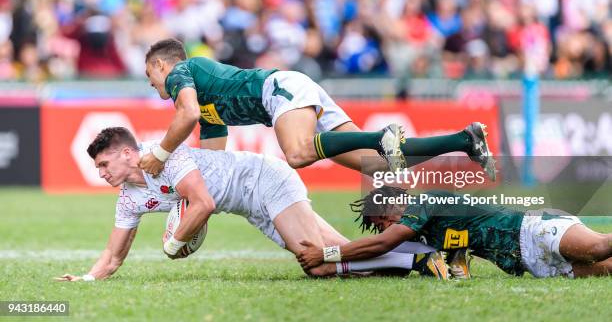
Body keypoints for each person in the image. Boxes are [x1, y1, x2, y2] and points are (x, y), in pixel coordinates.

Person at [55, 128, 455, 282]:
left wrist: (174, 243)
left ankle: (416, 262)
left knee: (316, 262)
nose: (101, 173)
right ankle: (429, 253)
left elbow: (204, 203)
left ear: (127, 153)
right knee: (336, 259)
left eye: (104, 163)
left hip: (266, 179)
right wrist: (88, 279)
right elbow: (112, 255)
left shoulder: (165, 154)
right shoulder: (129, 196)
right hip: (252, 206)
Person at [138, 38, 495, 180]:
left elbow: (186, 115)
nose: (155, 89)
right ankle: (464, 140)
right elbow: (212, 163)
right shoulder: (203, 103)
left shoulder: (181, 72)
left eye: (150, 77)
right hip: (293, 90)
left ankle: (379, 137)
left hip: (279, 90)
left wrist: (160, 153)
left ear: (159, 65)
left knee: (297, 153)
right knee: (376, 165)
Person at [297, 187, 612, 279]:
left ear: (391, 207)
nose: (384, 230)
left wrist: (327, 254)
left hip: (535, 231)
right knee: (606, 270)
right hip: (531, 262)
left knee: (599, 248)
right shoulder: (431, 233)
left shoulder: (425, 201)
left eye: (381, 222)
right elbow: (458, 271)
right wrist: (341, 270)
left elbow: (384, 244)